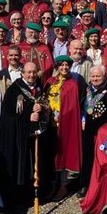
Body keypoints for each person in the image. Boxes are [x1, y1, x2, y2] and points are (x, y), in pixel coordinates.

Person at [0, 62, 48, 205]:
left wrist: (41, 108)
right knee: (21, 166)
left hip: (34, 137)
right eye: (28, 72)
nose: (31, 75)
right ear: (22, 73)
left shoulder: (38, 88)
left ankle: (32, 193)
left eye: (34, 72)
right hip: (18, 138)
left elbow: (45, 107)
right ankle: (19, 197)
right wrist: (27, 117)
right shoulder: (14, 90)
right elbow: (9, 115)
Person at [78, 66, 107, 198]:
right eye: (93, 77)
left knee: (105, 158)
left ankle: (104, 189)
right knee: (87, 157)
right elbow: (82, 107)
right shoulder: (86, 90)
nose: (95, 79)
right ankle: (86, 184)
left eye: (98, 76)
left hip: (105, 131)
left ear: (104, 76)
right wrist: (82, 118)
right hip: (88, 130)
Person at [45, 55, 83, 200]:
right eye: (62, 65)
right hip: (50, 125)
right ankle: (52, 183)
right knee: (52, 155)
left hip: (65, 124)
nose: (64, 68)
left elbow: (73, 106)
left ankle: (63, 185)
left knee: (64, 155)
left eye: (67, 65)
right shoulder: (50, 82)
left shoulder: (73, 84)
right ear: (57, 67)